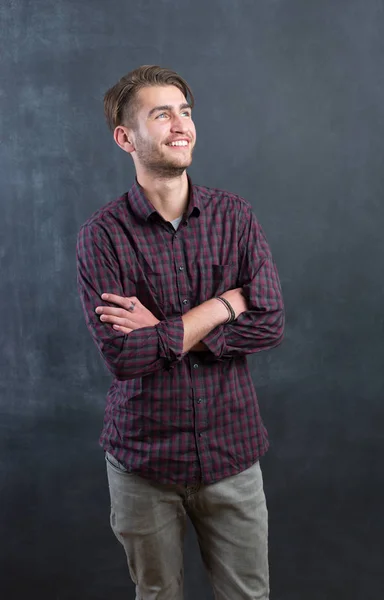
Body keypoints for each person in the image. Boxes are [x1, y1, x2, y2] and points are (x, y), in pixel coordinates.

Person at [76, 65, 284, 600]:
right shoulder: (101, 237)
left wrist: (166, 332)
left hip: (232, 455)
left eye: (185, 113)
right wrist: (221, 306)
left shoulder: (235, 217)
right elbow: (124, 356)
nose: (180, 126)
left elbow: (270, 322)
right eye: (161, 114)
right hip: (143, 463)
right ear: (126, 137)